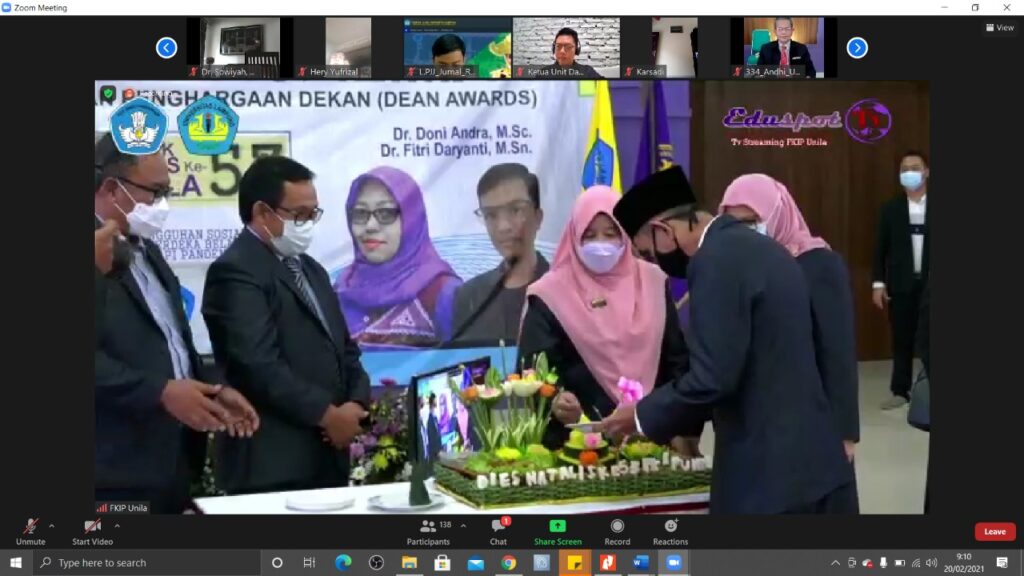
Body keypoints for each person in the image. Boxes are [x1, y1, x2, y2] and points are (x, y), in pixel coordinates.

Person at [601, 165, 853, 514]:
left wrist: (641, 416)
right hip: (811, 461)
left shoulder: (714, 261)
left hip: (767, 473)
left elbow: (713, 377)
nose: (654, 262)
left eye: (649, 253)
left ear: (664, 230)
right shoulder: (763, 247)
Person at [94, 133, 258, 513]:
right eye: (155, 192)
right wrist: (161, 392)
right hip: (108, 474)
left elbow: (171, 344)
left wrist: (210, 391)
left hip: (169, 466)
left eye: (167, 192)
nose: (162, 204)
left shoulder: (147, 249)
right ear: (111, 188)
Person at [202, 156, 370, 494]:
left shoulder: (311, 269)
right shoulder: (235, 272)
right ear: (262, 212)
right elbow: (257, 364)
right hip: (273, 464)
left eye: (313, 214)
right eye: (299, 215)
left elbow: (345, 349)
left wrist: (356, 404)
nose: (307, 224)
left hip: (327, 459)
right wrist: (327, 415)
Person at [719, 173, 860, 512]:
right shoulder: (733, 269)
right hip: (755, 425)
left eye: (752, 222)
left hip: (813, 423)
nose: (743, 233)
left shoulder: (818, 264)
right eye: (733, 224)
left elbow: (837, 353)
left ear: (777, 214)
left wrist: (845, 432)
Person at [517, 186, 692, 449]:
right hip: (577, 445)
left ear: (625, 235)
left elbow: (676, 360)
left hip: (653, 440)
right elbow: (533, 371)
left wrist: (680, 426)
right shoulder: (548, 294)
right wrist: (555, 399)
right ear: (574, 236)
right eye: (589, 235)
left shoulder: (653, 281)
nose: (601, 244)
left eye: (611, 234)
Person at [334, 166, 463, 349]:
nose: (370, 226)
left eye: (385, 213)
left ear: (412, 219)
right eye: (360, 213)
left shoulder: (443, 292)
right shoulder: (340, 291)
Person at [452, 163, 549, 343]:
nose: (503, 226)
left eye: (516, 210)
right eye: (491, 215)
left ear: (538, 217)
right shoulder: (470, 297)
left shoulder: (564, 290)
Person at [873, 150, 930, 410]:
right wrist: (878, 283)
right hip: (902, 284)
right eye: (904, 169)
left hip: (931, 284)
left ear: (926, 172)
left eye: (915, 167)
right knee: (901, 338)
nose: (910, 173)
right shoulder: (891, 209)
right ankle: (900, 390)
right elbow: (880, 249)